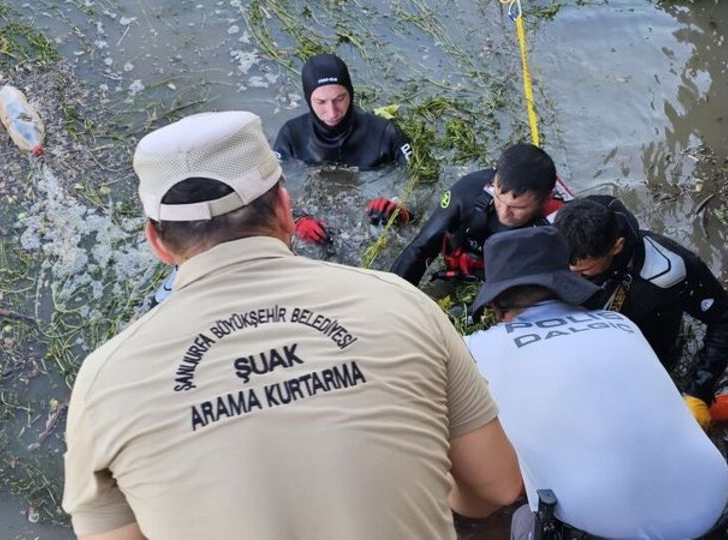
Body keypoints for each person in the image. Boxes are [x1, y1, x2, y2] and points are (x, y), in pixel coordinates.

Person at [62, 111, 522, 540]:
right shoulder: (401, 303)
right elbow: (497, 487)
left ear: (156, 242)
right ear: (285, 209)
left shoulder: (103, 380)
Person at [464, 227, 728, 539]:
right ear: (569, 284)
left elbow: (500, 482)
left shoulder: (475, 349)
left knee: (523, 519)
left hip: (612, 532)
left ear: (496, 306)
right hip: (721, 509)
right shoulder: (620, 324)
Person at [553, 196, 728, 429]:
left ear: (617, 246)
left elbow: (726, 319)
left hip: (649, 349)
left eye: (585, 271)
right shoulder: (555, 235)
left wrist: (698, 391)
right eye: (568, 269)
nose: (575, 278)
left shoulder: (668, 270)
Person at [275, 53, 413, 241]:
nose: (332, 112)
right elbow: (271, 192)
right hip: (318, 216)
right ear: (308, 99)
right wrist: (296, 220)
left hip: (368, 221)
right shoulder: (291, 136)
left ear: (351, 92)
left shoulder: (386, 134)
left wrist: (402, 210)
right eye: (321, 102)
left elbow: (423, 185)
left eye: (339, 99)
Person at [391, 143, 572, 285]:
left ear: (546, 200)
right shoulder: (469, 191)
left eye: (518, 208)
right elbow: (420, 249)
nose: (504, 212)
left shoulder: (562, 225)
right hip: (470, 264)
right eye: (500, 200)